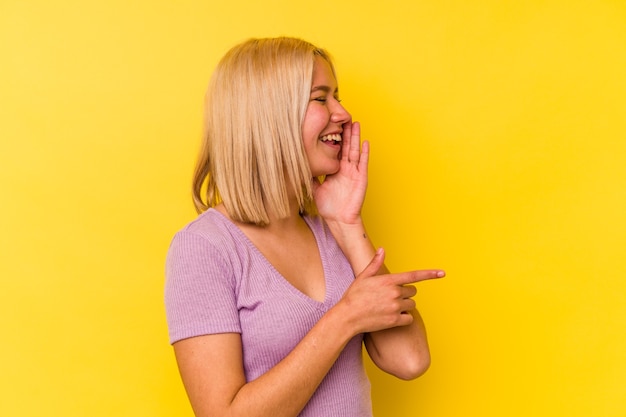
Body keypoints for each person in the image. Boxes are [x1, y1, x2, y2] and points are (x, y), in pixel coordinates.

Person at [164, 37, 444, 417]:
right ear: (270, 114)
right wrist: (345, 318)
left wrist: (347, 224)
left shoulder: (333, 235)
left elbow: (409, 360)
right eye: (321, 98)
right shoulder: (205, 248)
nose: (342, 113)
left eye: (338, 97)